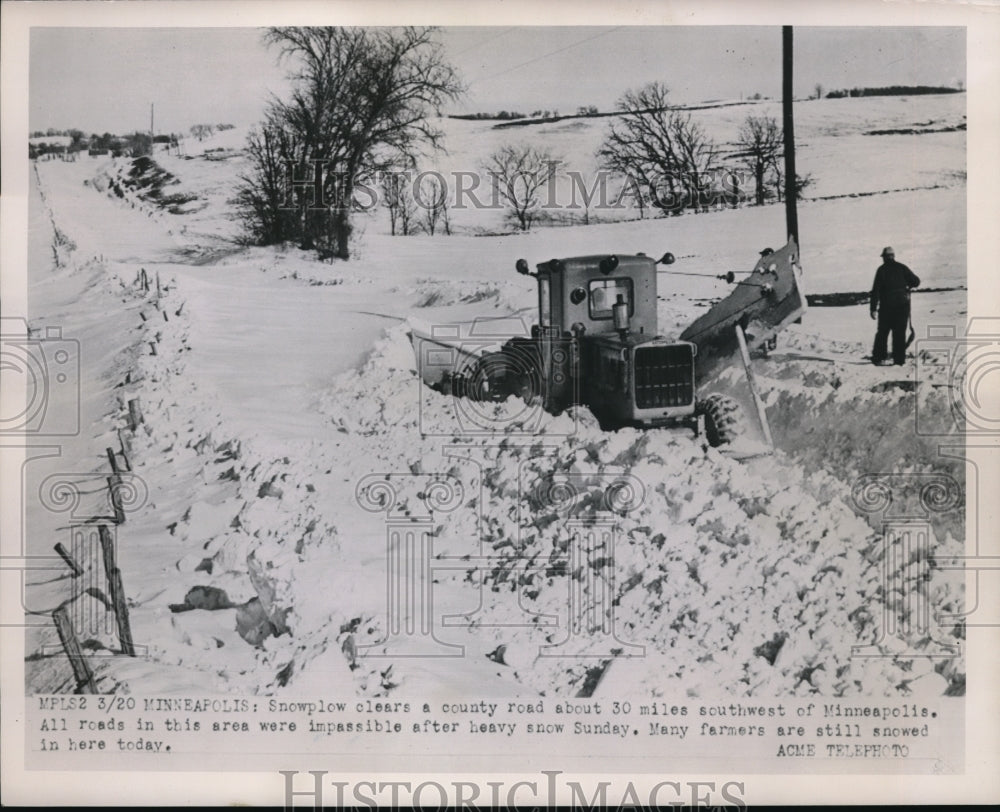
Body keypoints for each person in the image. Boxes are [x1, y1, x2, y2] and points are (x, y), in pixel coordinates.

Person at [870, 246, 920, 365]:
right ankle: (899, 360)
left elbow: (875, 291)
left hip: (886, 308)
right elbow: (916, 281)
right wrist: (907, 285)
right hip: (902, 307)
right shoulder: (902, 268)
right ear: (893, 256)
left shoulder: (881, 270)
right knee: (899, 334)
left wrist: (873, 309)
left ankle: (879, 358)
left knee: (882, 333)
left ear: (884, 257)